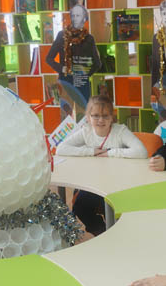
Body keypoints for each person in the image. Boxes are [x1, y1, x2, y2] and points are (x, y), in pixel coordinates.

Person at [57, 95, 147, 235]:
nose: (100, 120)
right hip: (93, 184)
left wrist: (110, 153)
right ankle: (103, 233)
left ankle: (120, 232)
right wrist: (91, 151)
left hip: (118, 184)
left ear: (112, 117)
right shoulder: (86, 131)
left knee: (117, 210)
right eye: (96, 115)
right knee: (80, 207)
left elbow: (141, 151)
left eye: (105, 116)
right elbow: (61, 149)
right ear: (88, 117)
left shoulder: (120, 131)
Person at [46, 4, 101, 112]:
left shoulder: (89, 38)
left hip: (81, 84)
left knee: (83, 116)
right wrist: (62, 68)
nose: (75, 18)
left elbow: (97, 64)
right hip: (65, 82)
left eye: (78, 15)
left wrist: (85, 74)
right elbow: (49, 58)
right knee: (66, 116)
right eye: (73, 15)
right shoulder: (62, 35)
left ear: (84, 18)